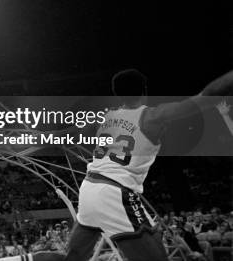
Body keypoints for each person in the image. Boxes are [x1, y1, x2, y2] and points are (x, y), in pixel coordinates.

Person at [53, 68, 233, 261]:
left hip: (89, 189)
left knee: (74, 257)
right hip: (116, 192)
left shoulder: (104, 118)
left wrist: (36, 137)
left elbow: (65, 135)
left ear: (117, 94)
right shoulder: (152, 116)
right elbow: (207, 95)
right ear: (144, 91)